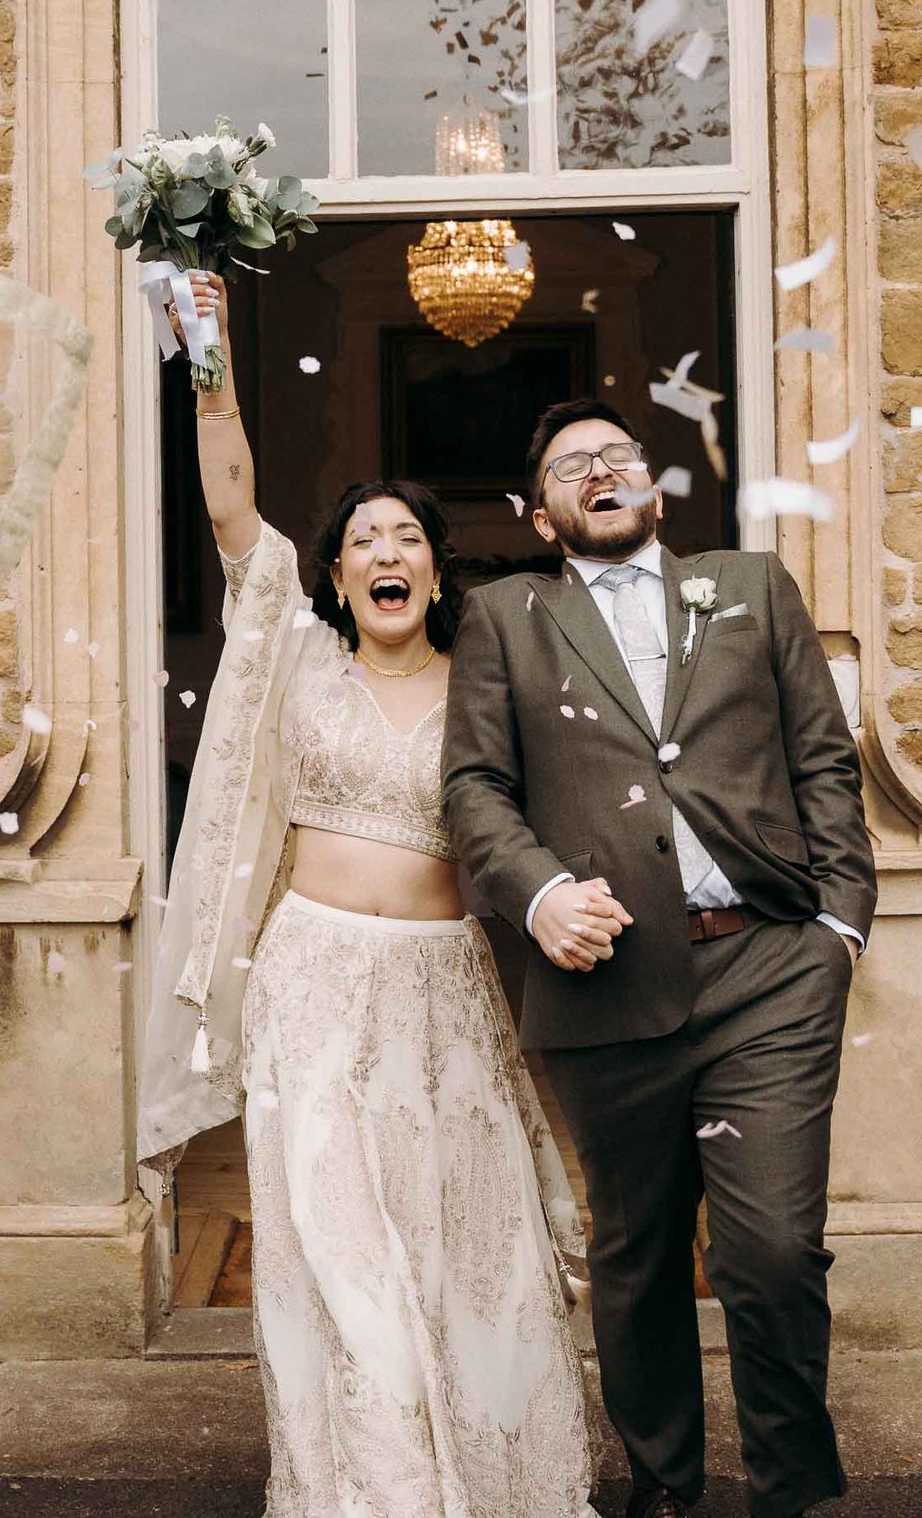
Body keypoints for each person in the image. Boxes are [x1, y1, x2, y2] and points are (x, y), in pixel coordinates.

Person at [135, 273, 596, 1516]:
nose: (384, 556)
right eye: (362, 543)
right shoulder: (293, 649)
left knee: (465, 1246)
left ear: (435, 572)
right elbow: (229, 503)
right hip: (314, 982)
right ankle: (376, 1488)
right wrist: (211, 356)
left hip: (445, 991)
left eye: (405, 540)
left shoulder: (489, 677)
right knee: (341, 1256)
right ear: (335, 577)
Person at [442, 399, 877, 1518]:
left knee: (773, 1249)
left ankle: (790, 1488)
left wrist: (839, 922)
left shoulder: (749, 583)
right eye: (570, 466)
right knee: (635, 1260)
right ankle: (666, 1489)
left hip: (768, 967)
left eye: (617, 455)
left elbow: (823, 757)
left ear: (652, 482)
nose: (600, 471)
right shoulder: (506, 616)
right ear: (537, 512)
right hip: (607, 983)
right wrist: (536, 893)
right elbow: (473, 786)